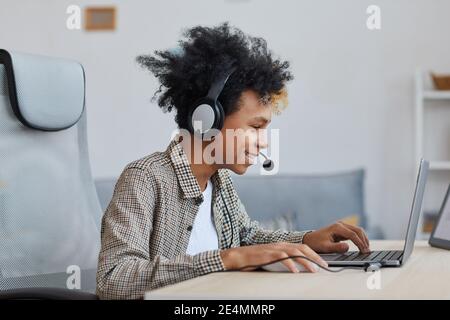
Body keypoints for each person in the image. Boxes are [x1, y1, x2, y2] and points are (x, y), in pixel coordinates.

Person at [96, 22, 370, 300]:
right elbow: (113, 279)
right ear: (207, 120)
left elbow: (247, 237)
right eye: (255, 127)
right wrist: (227, 258)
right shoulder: (144, 178)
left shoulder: (219, 179)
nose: (264, 142)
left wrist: (307, 240)